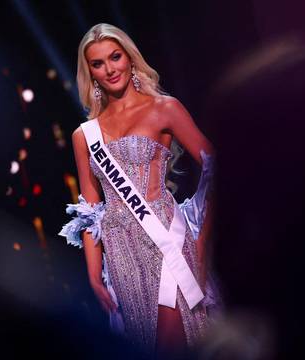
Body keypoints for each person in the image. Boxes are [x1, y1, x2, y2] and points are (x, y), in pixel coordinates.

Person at [59, 23, 221, 358]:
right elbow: (89, 206)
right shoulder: (84, 135)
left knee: (171, 343)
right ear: (90, 72)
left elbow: (216, 166)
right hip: (120, 254)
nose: (110, 68)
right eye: (98, 63)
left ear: (130, 59)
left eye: (115, 57)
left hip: (167, 240)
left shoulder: (164, 108)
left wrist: (203, 237)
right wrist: (93, 274)